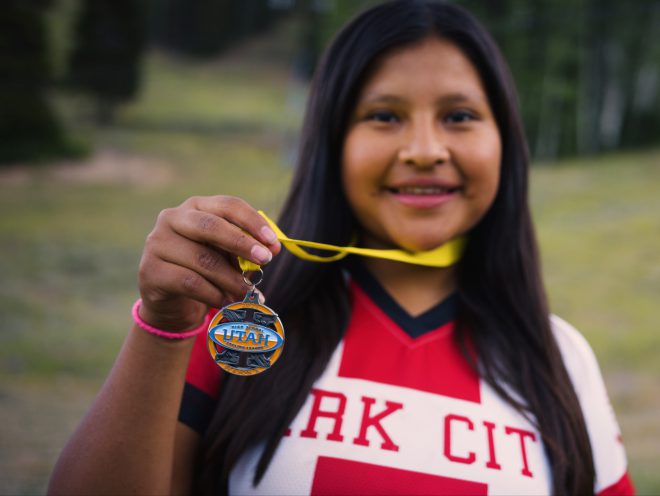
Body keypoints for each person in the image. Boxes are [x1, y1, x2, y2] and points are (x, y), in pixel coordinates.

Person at [48, 1, 634, 495]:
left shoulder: (565, 358)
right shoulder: (232, 320)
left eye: (459, 115)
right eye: (384, 115)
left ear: (505, 142)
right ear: (333, 143)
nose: (425, 149)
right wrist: (162, 325)